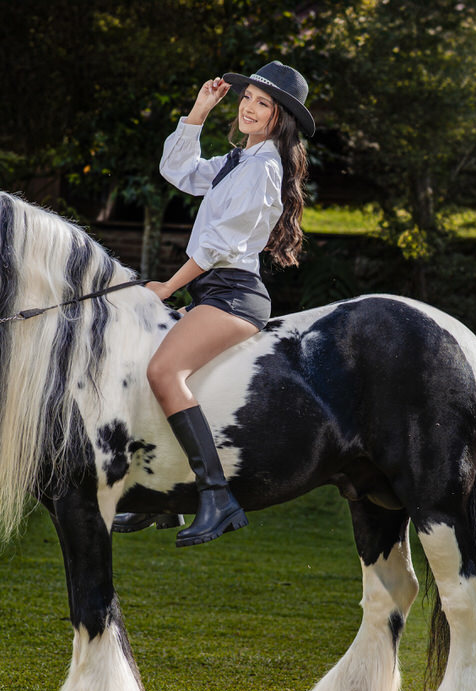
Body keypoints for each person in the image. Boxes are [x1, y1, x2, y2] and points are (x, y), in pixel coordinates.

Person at [115, 61, 314, 547]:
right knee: (139, 363)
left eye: (263, 104)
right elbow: (177, 170)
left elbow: (218, 247)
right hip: (212, 292)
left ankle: (217, 497)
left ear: (281, 119)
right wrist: (199, 111)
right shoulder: (237, 162)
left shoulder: (263, 168)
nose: (249, 108)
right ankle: (160, 498)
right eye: (247, 98)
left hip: (233, 295)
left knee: (163, 372)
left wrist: (167, 288)